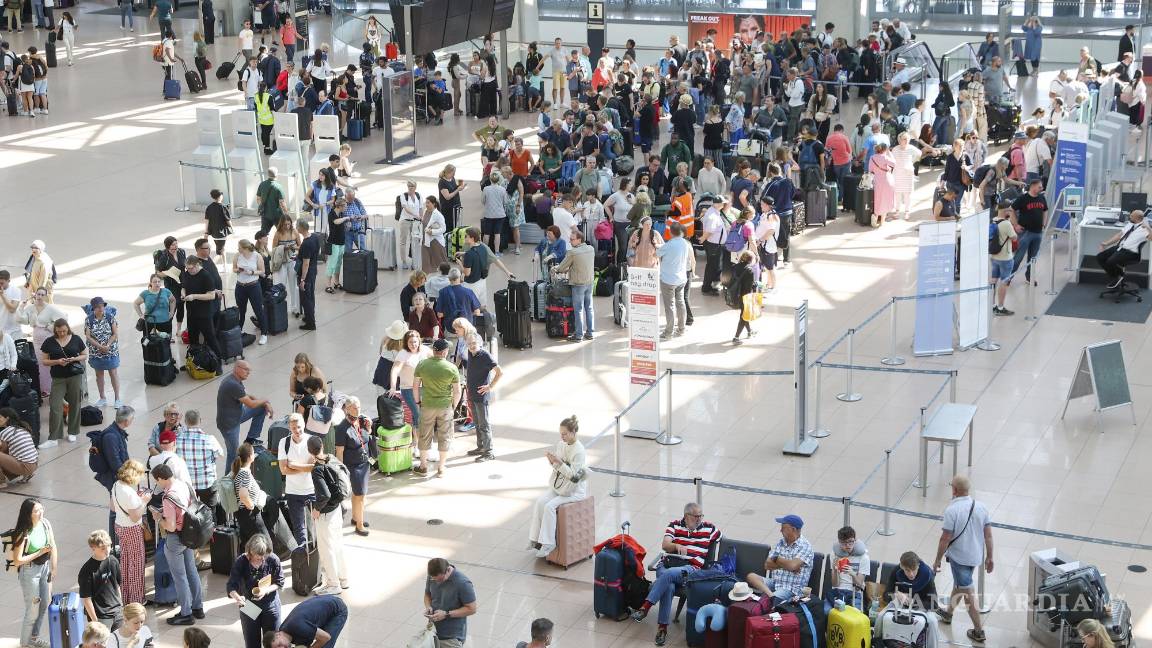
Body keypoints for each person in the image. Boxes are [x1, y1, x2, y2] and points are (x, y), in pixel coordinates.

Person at [631, 502, 721, 646]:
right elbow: (665, 545)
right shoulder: (674, 525)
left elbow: (724, 541)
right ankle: (662, 628)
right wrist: (676, 545)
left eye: (701, 516)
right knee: (669, 586)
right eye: (695, 516)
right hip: (668, 563)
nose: (699, 519)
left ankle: (646, 607)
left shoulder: (709, 528)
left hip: (691, 568)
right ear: (686, 516)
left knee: (670, 575)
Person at [933, 475, 993, 644]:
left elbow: (944, 539)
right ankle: (948, 613)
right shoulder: (981, 507)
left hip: (959, 558)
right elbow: (988, 535)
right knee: (960, 585)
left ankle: (979, 631)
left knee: (968, 593)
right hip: (975, 556)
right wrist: (990, 556)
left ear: (954, 490)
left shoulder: (952, 510)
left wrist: (937, 559)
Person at [527, 415, 587, 557]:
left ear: (573, 432)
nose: (562, 437)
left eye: (565, 434)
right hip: (560, 486)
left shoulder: (579, 451)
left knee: (549, 506)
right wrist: (552, 461)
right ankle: (535, 540)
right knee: (540, 502)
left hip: (573, 491)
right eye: (561, 433)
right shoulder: (561, 445)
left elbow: (574, 477)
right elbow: (558, 467)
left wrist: (559, 463)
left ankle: (548, 544)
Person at [152, 461, 204, 625]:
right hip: (190, 535)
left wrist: (159, 518)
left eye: (157, 481)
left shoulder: (167, 497)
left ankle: (186, 613)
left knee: (179, 576)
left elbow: (171, 525)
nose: (157, 484)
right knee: (192, 571)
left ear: (161, 478)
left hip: (175, 539)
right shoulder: (184, 485)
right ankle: (198, 608)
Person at [10, 498, 57, 648]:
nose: (40, 512)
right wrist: (39, 553)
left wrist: (53, 568)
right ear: (28, 514)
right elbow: (17, 560)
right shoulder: (23, 532)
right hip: (30, 572)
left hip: (44, 568)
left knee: (44, 603)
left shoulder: (45, 524)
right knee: (32, 610)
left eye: (41, 509)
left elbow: (53, 545)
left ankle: (33, 638)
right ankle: (25, 643)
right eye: (36, 511)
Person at [307, 435, 349, 595]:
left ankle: (333, 584)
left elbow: (324, 495)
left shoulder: (317, 469)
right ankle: (343, 579)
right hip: (337, 509)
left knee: (326, 548)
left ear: (310, 451)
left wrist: (317, 508)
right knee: (338, 544)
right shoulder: (332, 459)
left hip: (325, 513)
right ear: (322, 446)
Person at [413, 339, 461, 478]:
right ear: (445, 352)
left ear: (433, 351)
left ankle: (423, 467)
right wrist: (453, 406)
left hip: (427, 405)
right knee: (444, 436)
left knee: (424, 434)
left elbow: (415, 386)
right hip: (445, 406)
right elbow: (457, 392)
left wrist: (417, 402)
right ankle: (441, 468)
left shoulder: (422, 365)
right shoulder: (452, 368)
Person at [228, 534, 283, 648]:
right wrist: (238, 597)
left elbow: (279, 582)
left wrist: (266, 590)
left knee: (273, 642)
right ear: (250, 552)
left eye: (265, 555)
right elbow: (231, 585)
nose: (262, 559)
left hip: (270, 605)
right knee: (251, 642)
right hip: (249, 605)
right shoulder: (241, 561)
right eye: (259, 556)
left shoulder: (273, 559)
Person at [746, 514, 814, 606]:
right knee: (751, 576)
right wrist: (788, 566)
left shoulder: (805, 546)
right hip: (775, 582)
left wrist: (778, 560)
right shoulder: (781, 543)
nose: (780, 530)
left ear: (793, 529)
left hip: (791, 589)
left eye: (783, 528)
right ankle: (771, 596)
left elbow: (792, 565)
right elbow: (767, 565)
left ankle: (770, 599)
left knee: (765, 604)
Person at [217, 360, 273, 471]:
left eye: (249, 370)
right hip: (229, 424)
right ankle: (228, 480)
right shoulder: (232, 384)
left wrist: (264, 404)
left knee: (261, 408)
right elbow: (251, 404)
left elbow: (246, 395)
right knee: (233, 454)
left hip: (237, 415)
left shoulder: (235, 380)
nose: (248, 372)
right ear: (237, 368)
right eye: (246, 370)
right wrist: (266, 400)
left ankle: (250, 440)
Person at [40, 318, 86, 447]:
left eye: (64, 331)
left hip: (74, 376)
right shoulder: (49, 342)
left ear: (68, 329)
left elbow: (84, 355)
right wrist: (57, 361)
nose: (62, 333)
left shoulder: (76, 339)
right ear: (55, 330)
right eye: (59, 331)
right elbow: (44, 361)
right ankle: (53, 437)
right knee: (55, 406)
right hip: (58, 378)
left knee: (75, 403)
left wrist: (74, 359)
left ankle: (73, 431)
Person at [109, 459, 147, 606]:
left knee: (125, 562)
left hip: (119, 526)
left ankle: (125, 596)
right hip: (132, 529)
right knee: (136, 564)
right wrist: (144, 501)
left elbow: (113, 507)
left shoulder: (116, 485)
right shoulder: (129, 493)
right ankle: (137, 600)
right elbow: (135, 516)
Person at [333, 397, 372, 536]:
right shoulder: (342, 428)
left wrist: (369, 427)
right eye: (355, 407)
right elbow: (339, 452)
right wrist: (341, 471)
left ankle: (356, 518)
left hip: (364, 463)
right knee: (360, 495)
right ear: (347, 409)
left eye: (359, 407)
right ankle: (360, 525)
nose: (358, 410)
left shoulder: (361, 421)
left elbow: (366, 438)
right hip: (353, 467)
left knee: (358, 494)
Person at [462, 333, 501, 462]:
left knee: (484, 424)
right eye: (469, 344)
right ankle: (481, 447)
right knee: (477, 423)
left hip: (481, 396)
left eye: (474, 343)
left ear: (480, 343)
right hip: (472, 394)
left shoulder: (485, 356)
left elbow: (499, 372)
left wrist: (490, 386)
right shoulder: (470, 353)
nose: (472, 346)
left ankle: (489, 452)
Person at [277, 413, 315, 545]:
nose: (297, 431)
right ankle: (304, 555)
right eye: (294, 428)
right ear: (289, 428)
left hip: (311, 490)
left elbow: (312, 467)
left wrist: (293, 465)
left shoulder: (312, 441)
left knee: (317, 525)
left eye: (299, 427)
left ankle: (317, 551)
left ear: (304, 424)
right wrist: (303, 467)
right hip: (293, 492)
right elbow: (283, 470)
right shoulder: (284, 442)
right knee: (299, 528)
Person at [551, 230, 595, 341]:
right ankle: (590, 333)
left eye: (572, 239)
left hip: (578, 284)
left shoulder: (573, 253)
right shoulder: (591, 249)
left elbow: (561, 268)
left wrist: (555, 269)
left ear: (579, 239)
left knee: (578, 310)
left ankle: (579, 335)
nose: (570, 242)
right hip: (589, 283)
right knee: (589, 308)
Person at [424, 558, 478, 648]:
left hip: (452, 636)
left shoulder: (463, 583)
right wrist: (428, 606)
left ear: (448, 570)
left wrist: (446, 614)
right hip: (433, 631)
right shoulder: (432, 576)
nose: (437, 582)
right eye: (434, 579)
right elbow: (427, 594)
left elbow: (472, 609)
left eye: (440, 580)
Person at [78, 529, 122, 631]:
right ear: (93, 548)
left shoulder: (113, 561)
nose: (107, 550)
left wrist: (121, 606)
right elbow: (86, 598)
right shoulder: (86, 571)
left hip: (117, 612)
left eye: (109, 546)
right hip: (101, 616)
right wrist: (95, 621)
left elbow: (117, 586)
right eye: (102, 548)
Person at [262, 595, 348, 648]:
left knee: (325, 645)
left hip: (337, 609)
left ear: (278, 634)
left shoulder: (298, 626)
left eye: (279, 644)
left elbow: (326, 638)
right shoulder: (284, 630)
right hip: (321, 605)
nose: (283, 647)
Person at [1096, 209, 1152, 288]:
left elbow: (1151, 238)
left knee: (1110, 261)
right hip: (1119, 247)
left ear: (1137, 218)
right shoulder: (1130, 224)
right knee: (1100, 257)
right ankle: (1117, 276)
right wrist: (1106, 243)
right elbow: (1119, 235)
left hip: (1130, 253)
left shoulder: (1144, 228)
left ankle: (1118, 276)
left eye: (1132, 216)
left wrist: (1148, 228)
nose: (1130, 216)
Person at [655, 222, 692, 340]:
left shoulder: (669, 244)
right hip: (681, 278)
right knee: (680, 303)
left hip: (668, 279)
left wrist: (660, 246)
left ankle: (668, 332)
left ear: (670, 232)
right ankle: (681, 329)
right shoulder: (685, 243)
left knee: (669, 306)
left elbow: (657, 254)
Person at [181, 256, 222, 361]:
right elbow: (184, 287)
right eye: (187, 268)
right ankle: (193, 361)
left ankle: (219, 359)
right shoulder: (187, 273)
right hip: (191, 312)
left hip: (204, 313)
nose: (189, 271)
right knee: (193, 338)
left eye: (191, 268)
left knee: (210, 337)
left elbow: (211, 295)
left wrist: (194, 296)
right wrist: (183, 294)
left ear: (197, 265)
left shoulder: (206, 276)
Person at [82, 297, 121, 409]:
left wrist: (107, 345)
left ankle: (117, 399)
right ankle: (102, 398)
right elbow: (88, 336)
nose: (101, 309)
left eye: (102, 306)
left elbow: (115, 334)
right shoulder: (89, 319)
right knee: (99, 374)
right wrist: (99, 346)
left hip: (110, 351)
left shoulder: (110, 317)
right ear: (94, 308)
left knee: (113, 373)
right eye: (98, 307)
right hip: (96, 352)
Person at [1011, 179, 1048, 284]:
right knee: (1018, 257)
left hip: (1038, 233)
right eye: (1040, 187)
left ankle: (1029, 277)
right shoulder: (1023, 198)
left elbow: (1045, 210)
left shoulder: (1042, 198)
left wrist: (1044, 224)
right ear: (1032, 187)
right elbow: (1011, 209)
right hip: (1025, 232)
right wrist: (1015, 225)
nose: (1042, 189)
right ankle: (1008, 277)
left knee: (1033, 258)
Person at [827, 526, 869, 611]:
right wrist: (835, 571)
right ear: (839, 542)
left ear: (855, 540)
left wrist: (853, 574)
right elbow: (835, 584)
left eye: (851, 542)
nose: (848, 546)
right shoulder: (834, 555)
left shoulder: (864, 557)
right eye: (844, 543)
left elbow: (859, 586)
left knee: (855, 614)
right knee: (827, 612)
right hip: (838, 591)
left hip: (854, 592)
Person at [989, 202, 1019, 316]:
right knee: (1004, 282)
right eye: (1009, 211)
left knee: (993, 280)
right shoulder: (1006, 224)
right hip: (1005, 258)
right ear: (1006, 211)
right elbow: (1014, 237)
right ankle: (1000, 307)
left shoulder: (994, 220)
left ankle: (992, 305)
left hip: (994, 256)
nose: (1011, 213)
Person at [0, 408, 38, 486]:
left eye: (0, 417)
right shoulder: (21, 428)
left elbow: (2, 451)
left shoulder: (5, 432)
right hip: (34, 464)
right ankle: (26, 474)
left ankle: (1, 482)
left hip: (25, 466)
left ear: (7, 418)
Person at [728, 250, 758, 345]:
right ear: (751, 259)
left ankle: (750, 331)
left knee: (744, 314)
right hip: (745, 296)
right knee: (744, 316)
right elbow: (749, 287)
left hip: (735, 294)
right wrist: (755, 285)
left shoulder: (735, 267)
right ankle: (736, 337)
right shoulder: (749, 270)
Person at [295, 218, 320, 330]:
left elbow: (305, 263)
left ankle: (310, 323)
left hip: (307, 273)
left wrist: (302, 280)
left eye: (297, 226)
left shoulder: (306, 244)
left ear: (301, 228)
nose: (296, 228)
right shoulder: (314, 237)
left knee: (306, 298)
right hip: (313, 270)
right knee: (311, 296)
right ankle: (309, 316)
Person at [133, 274, 177, 338]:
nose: (157, 284)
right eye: (155, 282)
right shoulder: (145, 293)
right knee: (149, 344)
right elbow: (136, 303)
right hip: (149, 323)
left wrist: (172, 312)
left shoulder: (166, 291)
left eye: (159, 282)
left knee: (164, 344)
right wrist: (141, 315)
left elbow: (173, 300)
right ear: (151, 283)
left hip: (164, 322)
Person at [868, 142, 896, 227]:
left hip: (877, 181)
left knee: (877, 199)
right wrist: (889, 153)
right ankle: (882, 222)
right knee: (885, 200)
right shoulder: (885, 157)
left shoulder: (872, 157)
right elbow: (894, 163)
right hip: (887, 180)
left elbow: (870, 169)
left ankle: (875, 216)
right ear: (885, 149)